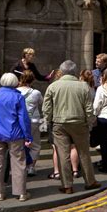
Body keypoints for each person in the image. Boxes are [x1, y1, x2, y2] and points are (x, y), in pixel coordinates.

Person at [43, 60, 100, 193]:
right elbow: (89, 108)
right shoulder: (84, 87)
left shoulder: (53, 86)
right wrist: (90, 122)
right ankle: (90, 181)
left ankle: (67, 185)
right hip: (80, 123)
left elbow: (47, 108)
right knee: (84, 153)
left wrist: (48, 121)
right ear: (74, 72)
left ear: (61, 72)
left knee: (63, 154)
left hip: (59, 123)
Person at [0, 73, 32, 202]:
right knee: (18, 163)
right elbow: (23, 118)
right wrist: (28, 135)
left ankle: (0, 193)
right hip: (15, 134)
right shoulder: (18, 97)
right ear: (15, 82)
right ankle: (21, 193)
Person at [17, 70, 43, 176]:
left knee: (19, 144)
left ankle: (20, 166)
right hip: (33, 121)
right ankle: (31, 167)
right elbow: (41, 102)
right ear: (32, 80)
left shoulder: (16, 91)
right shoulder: (36, 93)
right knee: (35, 145)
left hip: (19, 121)